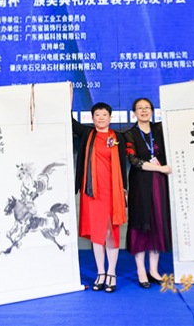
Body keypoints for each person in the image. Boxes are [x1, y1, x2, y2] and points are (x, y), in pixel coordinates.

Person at [71, 96, 127, 293]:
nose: (101, 118)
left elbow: (122, 165)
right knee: (97, 233)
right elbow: (69, 120)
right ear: (92, 117)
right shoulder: (88, 133)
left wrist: (125, 189)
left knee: (111, 231)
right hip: (92, 192)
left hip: (112, 192)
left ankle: (111, 272)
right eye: (97, 115)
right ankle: (100, 273)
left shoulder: (118, 137)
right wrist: (69, 96)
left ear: (110, 117)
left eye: (104, 115)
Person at [124, 98, 172, 289]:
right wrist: (160, 169)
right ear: (134, 113)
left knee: (157, 224)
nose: (144, 111)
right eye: (140, 108)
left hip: (160, 184)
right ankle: (141, 271)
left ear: (152, 111)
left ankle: (153, 270)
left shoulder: (160, 129)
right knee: (140, 224)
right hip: (141, 184)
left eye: (147, 108)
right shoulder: (130, 134)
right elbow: (133, 160)